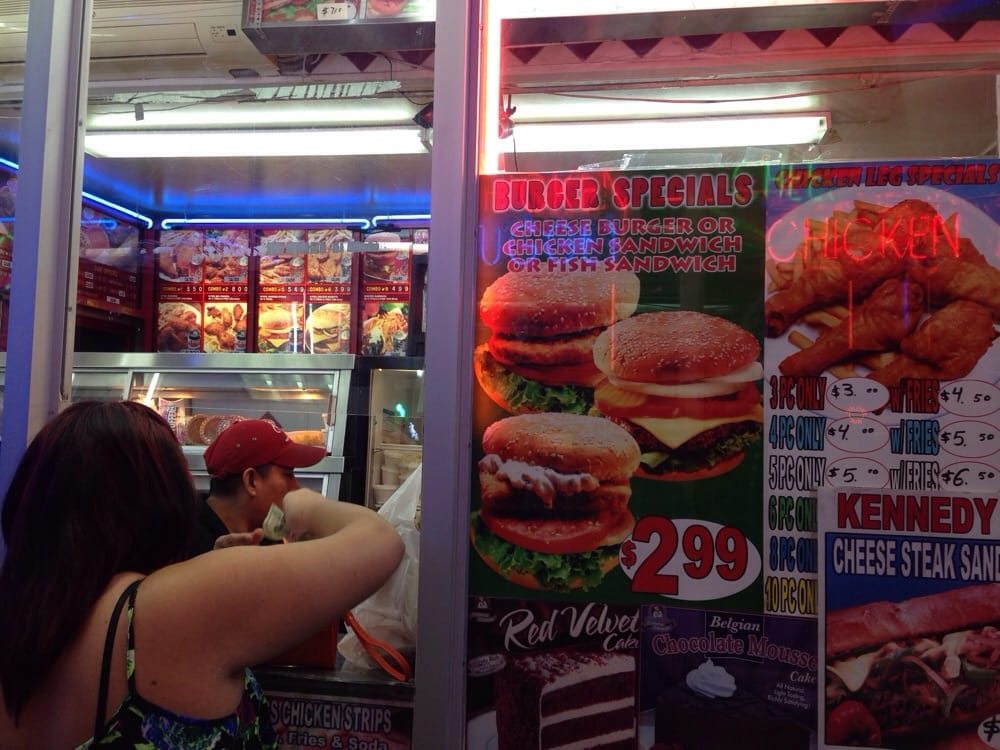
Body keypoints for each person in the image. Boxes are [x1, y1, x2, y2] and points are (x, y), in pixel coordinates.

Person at [0, 400, 403, 749]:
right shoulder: (163, 610)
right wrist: (297, 504)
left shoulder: (23, 612)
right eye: (288, 474)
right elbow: (381, 541)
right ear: (160, 498)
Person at [188, 418, 327, 555]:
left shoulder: (266, 536)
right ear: (251, 481)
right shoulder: (183, 545)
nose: (297, 487)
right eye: (288, 474)